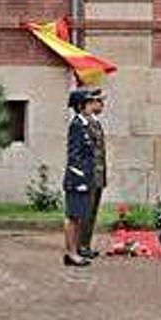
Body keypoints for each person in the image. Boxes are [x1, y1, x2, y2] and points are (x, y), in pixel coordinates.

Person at [62, 89, 96, 267]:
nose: (92, 105)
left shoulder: (84, 124)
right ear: (80, 106)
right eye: (89, 102)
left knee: (78, 217)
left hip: (84, 179)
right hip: (77, 180)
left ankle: (74, 252)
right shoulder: (76, 126)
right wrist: (80, 179)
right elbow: (74, 155)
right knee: (72, 217)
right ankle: (71, 253)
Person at [78, 88, 106, 259]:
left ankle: (85, 244)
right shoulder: (84, 123)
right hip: (88, 176)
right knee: (86, 212)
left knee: (92, 212)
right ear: (90, 103)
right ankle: (80, 246)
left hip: (97, 176)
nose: (102, 105)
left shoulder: (95, 122)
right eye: (99, 101)